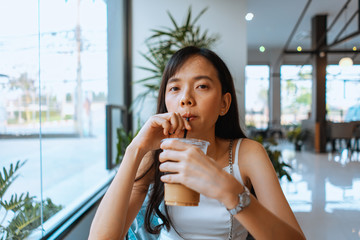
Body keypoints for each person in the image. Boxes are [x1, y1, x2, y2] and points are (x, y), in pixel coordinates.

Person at [89, 46, 305, 240]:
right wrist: (136, 148)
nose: (186, 98)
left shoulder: (247, 154)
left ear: (224, 103)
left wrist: (229, 191)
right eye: (175, 88)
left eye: (201, 86)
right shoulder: (158, 154)